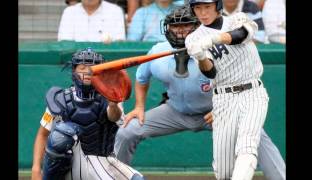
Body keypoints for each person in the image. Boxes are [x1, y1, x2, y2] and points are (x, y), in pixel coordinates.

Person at [114, 5, 285, 180]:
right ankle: (115, 176)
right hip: (175, 111)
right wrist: (139, 106)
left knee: (257, 137)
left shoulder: (214, 49)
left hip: (215, 111)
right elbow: (142, 78)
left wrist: (222, 107)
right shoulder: (158, 51)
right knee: (127, 131)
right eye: (175, 26)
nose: (180, 31)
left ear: (196, 26)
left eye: (186, 25)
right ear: (167, 28)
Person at [185, 0, 285, 179]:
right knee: (224, 171)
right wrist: (200, 56)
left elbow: (241, 34)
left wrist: (213, 39)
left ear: (217, 6)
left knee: (247, 146)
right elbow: (210, 72)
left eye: (207, 7)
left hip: (252, 92)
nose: (203, 12)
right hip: (223, 99)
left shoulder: (237, 19)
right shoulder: (193, 38)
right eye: (198, 8)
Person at [31, 48, 144, 180]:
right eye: (83, 67)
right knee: (62, 134)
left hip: (102, 161)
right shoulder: (60, 99)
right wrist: (36, 168)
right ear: (74, 71)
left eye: (93, 67)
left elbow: (114, 117)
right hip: (70, 166)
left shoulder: (110, 96)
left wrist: (113, 103)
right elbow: (42, 134)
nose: (88, 71)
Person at [58, 0, 126, 43]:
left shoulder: (115, 11)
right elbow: (65, 43)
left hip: (106, 61)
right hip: (76, 62)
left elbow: (119, 42)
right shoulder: (69, 12)